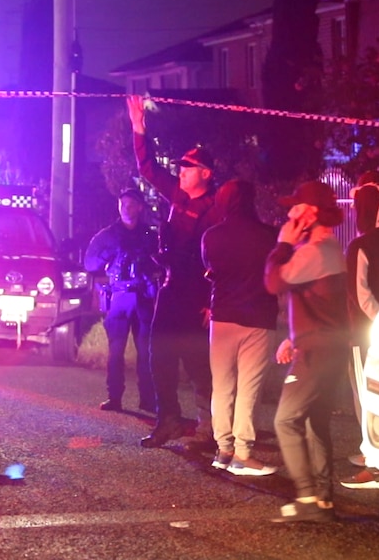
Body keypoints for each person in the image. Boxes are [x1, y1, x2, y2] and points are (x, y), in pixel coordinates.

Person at [126, 95, 220, 449]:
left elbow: (220, 258)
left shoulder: (214, 209)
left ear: (206, 174)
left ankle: (211, 428)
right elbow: (147, 168)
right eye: (180, 166)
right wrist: (138, 128)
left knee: (198, 363)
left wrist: (213, 300)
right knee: (159, 355)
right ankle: (168, 420)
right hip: (170, 287)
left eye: (188, 167)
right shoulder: (178, 195)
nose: (180, 171)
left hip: (197, 294)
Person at [264, 180, 349, 523]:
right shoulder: (329, 250)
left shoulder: (314, 251)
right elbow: (319, 304)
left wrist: (283, 244)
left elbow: (273, 281)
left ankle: (307, 498)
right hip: (328, 346)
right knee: (315, 421)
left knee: (285, 420)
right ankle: (324, 500)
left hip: (317, 352)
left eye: (296, 207)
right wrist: (294, 336)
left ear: (311, 213)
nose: (289, 212)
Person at [201, 179, 279, 475]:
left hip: (222, 317)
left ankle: (223, 449)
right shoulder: (268, 235)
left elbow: (209, 270)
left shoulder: (211, 236)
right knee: (249, 387)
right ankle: (243, 454)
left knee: (222, 386)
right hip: (258, 317)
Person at [84, 187, 159, 413]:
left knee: (146, 351)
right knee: (116, 351)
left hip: (144, 296)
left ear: (140, 207)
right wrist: (108, 256)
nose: (126, 208)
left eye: (131, 204)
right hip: (119, 297)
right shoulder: (108, 235)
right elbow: (89, 263)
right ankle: (114, 397)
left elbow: (163, 263)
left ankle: (147, 399)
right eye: (122, 204)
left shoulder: (149, 236)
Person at [340, 169, 379, 488]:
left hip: (368, 334)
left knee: (370, 399)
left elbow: (360, 294)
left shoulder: (361, 245)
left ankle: (375, 462)